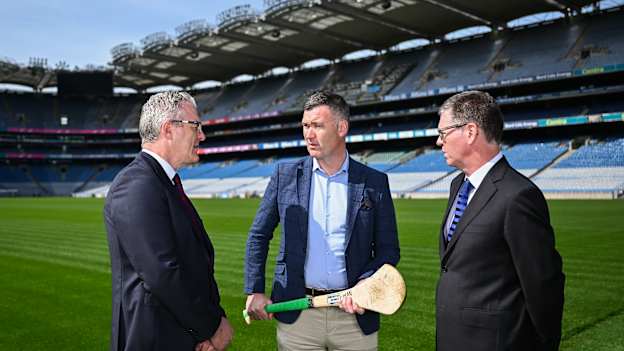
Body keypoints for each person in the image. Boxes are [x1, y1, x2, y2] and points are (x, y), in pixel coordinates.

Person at [244, 91, 400, 350]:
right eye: (306, 125)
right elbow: (258, 235)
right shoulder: (285, 175)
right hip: (298, 315)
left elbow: (388, 248)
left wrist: (366, 283)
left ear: (341, 128)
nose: (309, 134)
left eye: (317, 125)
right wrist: (255, 289)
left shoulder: (374, 182)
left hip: (354, 317)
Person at [434, 90, 565, 351]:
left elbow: (543, 283)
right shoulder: (458, 185)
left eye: (443, 133)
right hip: (453, 338)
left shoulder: (518, 195)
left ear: (470, 132)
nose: (439, 142)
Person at [104, 91, 233, 351]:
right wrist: (210, 328)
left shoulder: (163, 182)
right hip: (158, 339)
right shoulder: (136, 185)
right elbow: (162, 274)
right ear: (168, 129)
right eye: (196, 126)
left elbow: (193, 266)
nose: (202, 135)